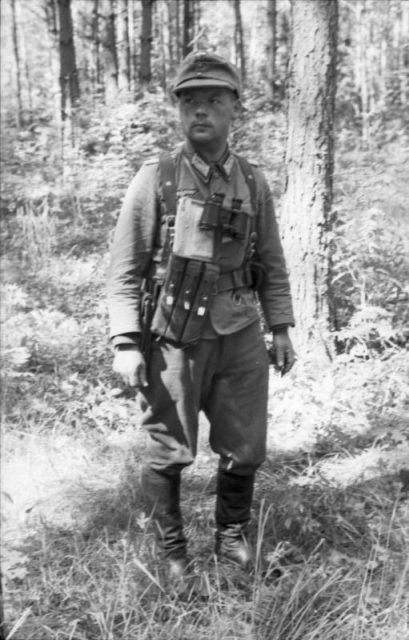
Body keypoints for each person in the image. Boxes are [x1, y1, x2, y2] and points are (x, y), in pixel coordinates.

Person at [108, 51, 296, 587]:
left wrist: (280, 327)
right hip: (172, 335)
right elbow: (125, 268)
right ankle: (173, 552)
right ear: (180, 111)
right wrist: (125, 341)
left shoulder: (253, 181)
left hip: (239, 330)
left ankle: (231, 539)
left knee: (245, 445)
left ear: (236, 107)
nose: (200, 111)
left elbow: (272, 261)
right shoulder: (158, 179)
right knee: (169, 446)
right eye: (190, 101)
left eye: (214, 100)